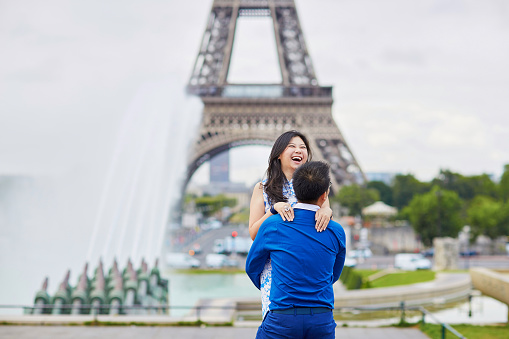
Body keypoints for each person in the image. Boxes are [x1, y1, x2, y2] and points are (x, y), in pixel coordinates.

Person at [246, 161, 346, 339]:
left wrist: (278, 288)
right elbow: (334, 274)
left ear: (295, 192)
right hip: (321, 318)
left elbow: (252, 266)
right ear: (325, 195)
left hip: (282, 315)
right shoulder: (336, 230)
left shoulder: (273, 225)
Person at [248, 130, 333, 318]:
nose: (299, 150)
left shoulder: (316, 187)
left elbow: (325, 218)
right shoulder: (263, 188)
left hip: (308, 267)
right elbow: (254, 233)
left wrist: (327, 210)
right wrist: (273, 210)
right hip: (277, 271)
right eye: (292, 146)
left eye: (303, 147)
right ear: (279, 153)